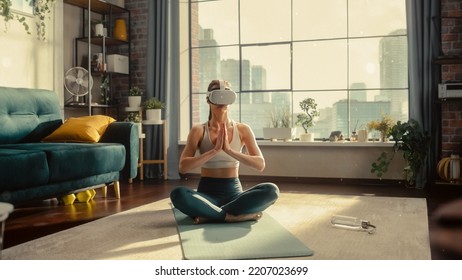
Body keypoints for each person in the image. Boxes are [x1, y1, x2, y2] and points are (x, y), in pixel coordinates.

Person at [170, 79, 279, 224]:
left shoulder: (242, 129)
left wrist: (229, 150)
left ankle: (210, 213)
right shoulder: (199, 130)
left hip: (234, 194)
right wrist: (214, 151)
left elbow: (260, 165)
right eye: (217, 93)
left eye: (226, 93)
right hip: (206, 194)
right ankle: (231, 216)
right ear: (209, 99)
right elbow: (183, 167)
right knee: (178, 194)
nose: (222, 99)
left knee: (271, 191)